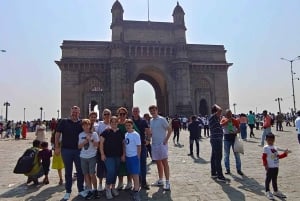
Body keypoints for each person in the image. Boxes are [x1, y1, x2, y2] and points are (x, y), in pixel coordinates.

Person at [55, 106, 87, 200]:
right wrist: (57, 147)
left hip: (78, 151)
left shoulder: (81, 123)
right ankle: (68, 192)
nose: (74, 114)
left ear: (79, 113)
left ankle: (81, 190)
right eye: (73, 112)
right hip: (66, 150)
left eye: (76, 112)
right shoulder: (64, 122)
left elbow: (87, 132)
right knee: (68, 172)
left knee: (80, 171)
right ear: (70, 112)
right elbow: (57, 134)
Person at [100, 116, 124, 200]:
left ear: (117, 123)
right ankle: (107, 188)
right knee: (111, 171)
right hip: (108, 156)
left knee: (115, 172)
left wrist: (123, 154)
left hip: (118, 155)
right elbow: (101, 143)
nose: (114, 123)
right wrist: (102, 154)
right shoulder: (106, 132)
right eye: (112, 122)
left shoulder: (120, 132)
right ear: (110, 123)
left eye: (115, 122)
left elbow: (123, 144)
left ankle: (113, 187)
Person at [148, 105, 172, 190]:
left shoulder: (162, 119)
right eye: (151, 111)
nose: (153, 112)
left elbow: (169, 129)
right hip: (154, 144)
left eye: (154, 110)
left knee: (165, 162)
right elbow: (151, 132)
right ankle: (161, 180)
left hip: (162, 144)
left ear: (157, 110)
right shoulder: (151, 120)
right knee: (158, 163)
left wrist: (166, 140)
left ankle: (168, 182)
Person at [78, 119, 100, 200]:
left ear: (90, 125)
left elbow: (97, 145)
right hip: (83, 156)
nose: (86, 127)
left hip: (92, 156)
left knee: (92, 174)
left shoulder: (94, 134)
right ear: (82, 126)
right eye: (84, 125)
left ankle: (95, 190)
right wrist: (86, 141)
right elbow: (79, 146)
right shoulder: (80, 134)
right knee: (86, 174)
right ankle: (90, 190)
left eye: (87, 125)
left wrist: (91, 139)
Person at [262, 133, 288, 199]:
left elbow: (277, 156)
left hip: (276, 166)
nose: (270, 141)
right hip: (270, 167)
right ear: (266, 140)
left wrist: (285, 154)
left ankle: (275, 191)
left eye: (272, 140)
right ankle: (267, 191)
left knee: (274, 179)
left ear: (274, 140)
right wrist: (265, 165)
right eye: (269, 140)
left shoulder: (275, 148)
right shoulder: (266, 148)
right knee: (268, 179)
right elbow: (264, 157)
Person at [132, 106, 150, 190]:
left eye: (136, 111)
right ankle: (137, 182)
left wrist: (148, 140)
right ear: (132, 112)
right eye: (134, 111)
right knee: (136, 164)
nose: (135, 112)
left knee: (143, 164)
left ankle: (144, 181)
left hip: (142, 146)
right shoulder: (130, 121)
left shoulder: (143, 121)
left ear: (139, 112)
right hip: (132, 147)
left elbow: (148, 131)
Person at [220, 109, 243, 176]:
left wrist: (236, 131)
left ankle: (239, 169)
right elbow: (220, 125)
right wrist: (227, 121)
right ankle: (228, 169)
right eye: (228, 114)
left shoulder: (235, 121)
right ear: (226, 114)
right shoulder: (223, 119)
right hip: (226, 139)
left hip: (234, 139)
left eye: (230, 114)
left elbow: (239, 130)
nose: (229, 115)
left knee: (237, 156)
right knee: (226, 155)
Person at [124, 119, 142, 201]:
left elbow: (139, 146)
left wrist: (138, 156)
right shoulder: (126, 134)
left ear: (132, 125)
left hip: (134, 156)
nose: (128, 127)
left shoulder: (136, 134)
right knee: (131, 172)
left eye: (129, 125)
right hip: (128, 157)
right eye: (126, 126)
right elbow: (125, 145)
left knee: (135, 174)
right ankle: (134, 187)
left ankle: (136, 190)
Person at [209, 104, 227, 182]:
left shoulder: (215, 119)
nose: (220, 114)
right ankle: (220, 176)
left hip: (215, 139)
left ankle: (214, 173)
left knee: (214, 156)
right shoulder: (213, 117)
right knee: (218, 157)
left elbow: (218, 126)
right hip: (216, 140)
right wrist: (215, 105)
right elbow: (220, 110)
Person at [96, 109, 111, 193]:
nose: (106, 115)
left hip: (110, 150)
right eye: (105, 114)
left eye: (108, 114)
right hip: (101, 149)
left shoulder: (113, 123)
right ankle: (100, 184)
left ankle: (108, 184)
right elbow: (96, 135)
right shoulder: (99, 124)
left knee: (110, 167)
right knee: (100, 167)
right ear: (102, 115)